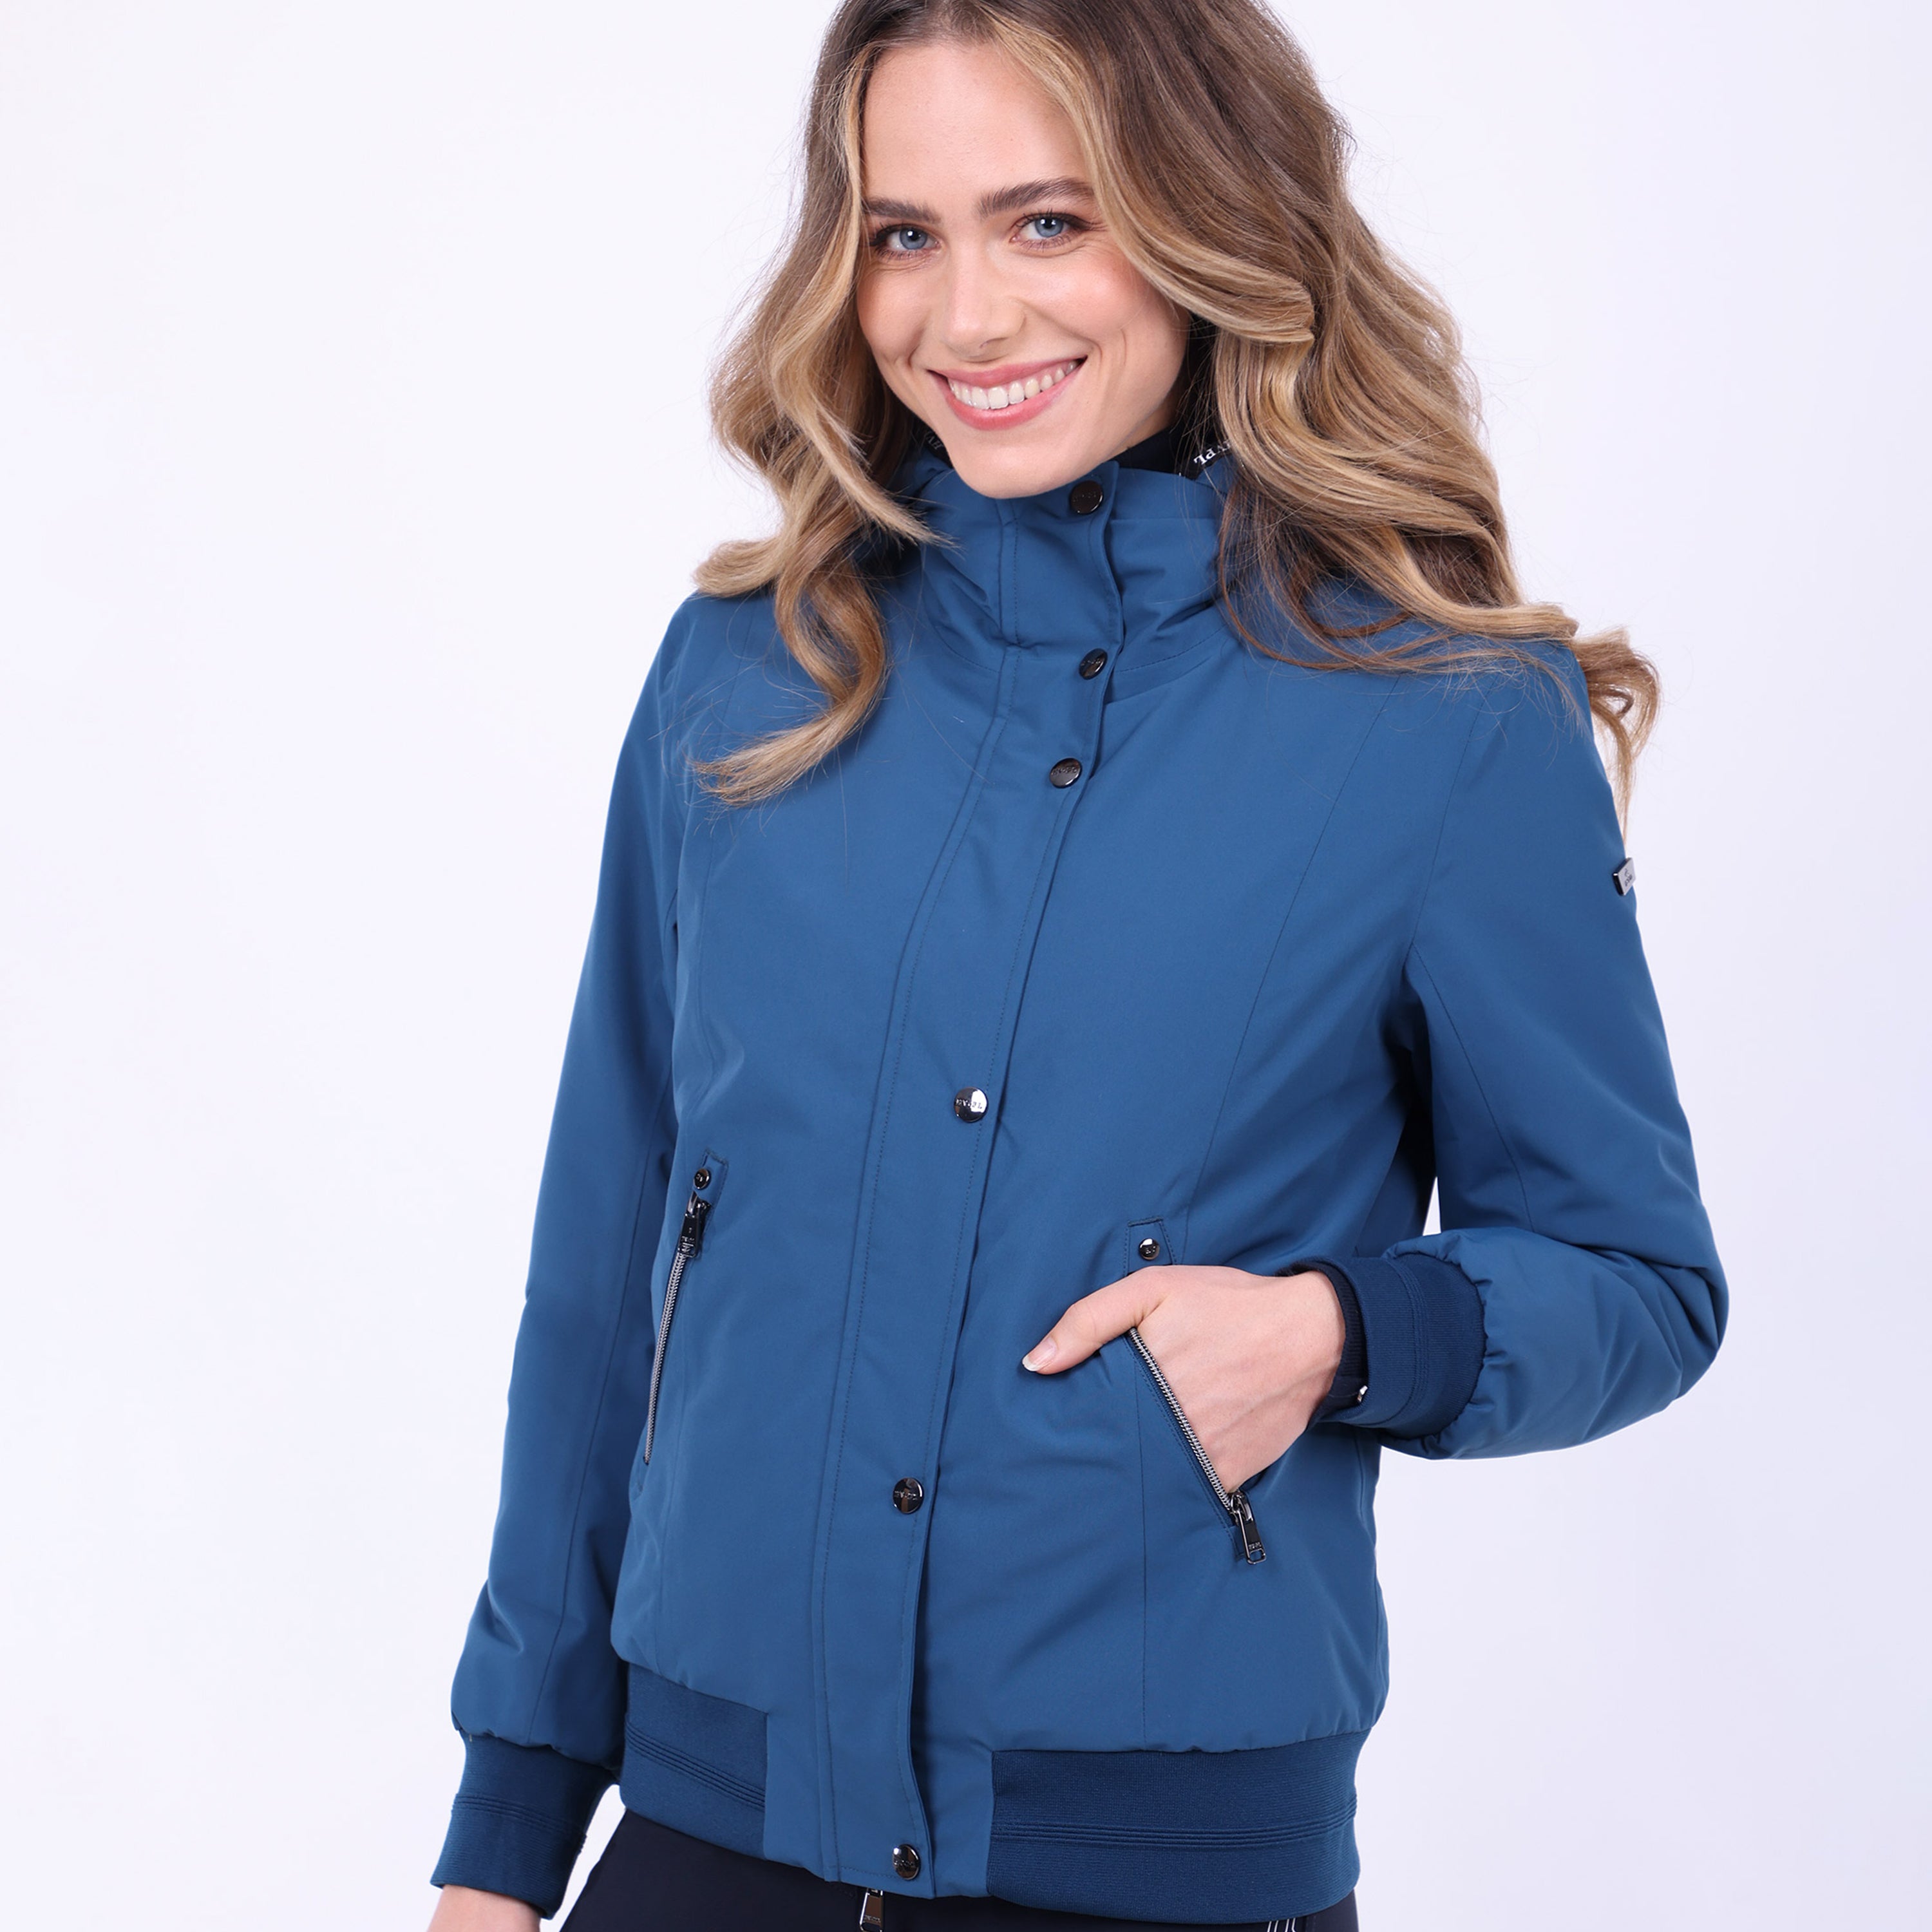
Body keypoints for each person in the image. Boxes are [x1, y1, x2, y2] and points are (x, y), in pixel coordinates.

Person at [424, 1, 1727, 1926]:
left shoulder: (1444, 719)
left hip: (1159, 1872)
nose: (965, 316)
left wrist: (1342, 1331)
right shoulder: (753, 670)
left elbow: (1639, 1276)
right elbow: (608, 1263)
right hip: (706, 1843)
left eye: (1050, 222)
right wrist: (510, 1830)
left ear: (1215, 223)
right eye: (904, 233)